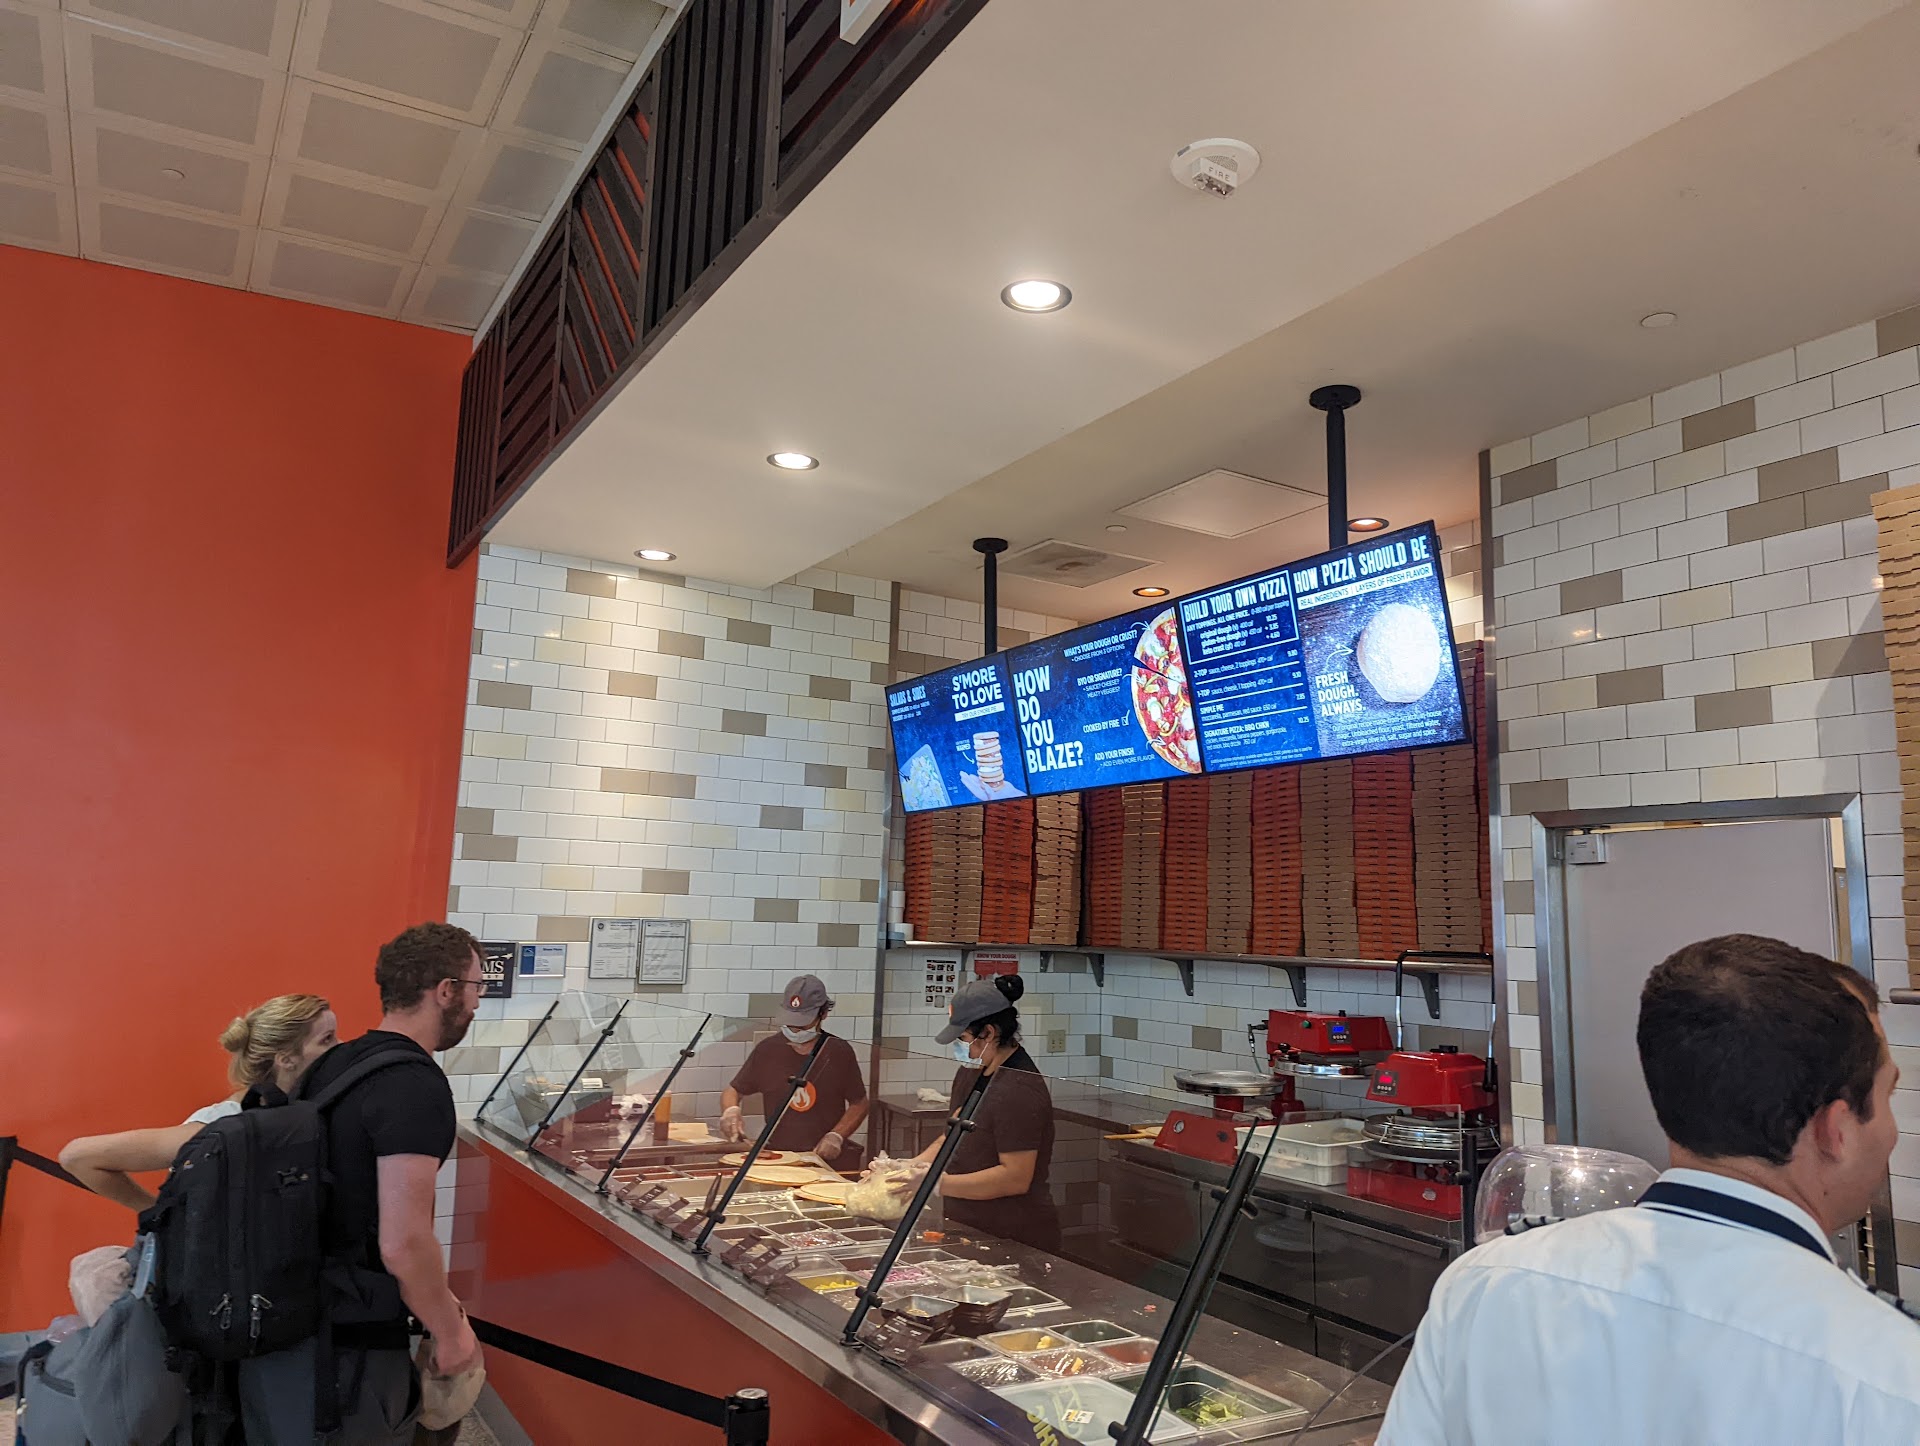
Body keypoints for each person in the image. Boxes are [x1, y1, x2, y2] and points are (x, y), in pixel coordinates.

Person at [1379, 934, 1920, 1444]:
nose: (1892, 1131)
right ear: (1836, 1130)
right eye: (1888, 1096)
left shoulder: (1487, 1284)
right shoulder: (1890, 1369)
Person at [237, 922, 485, 1445]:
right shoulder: (414, 1085)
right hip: (349, 1350)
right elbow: (403, 1241)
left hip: (286, 1319)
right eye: (476, 987)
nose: (477, 1003)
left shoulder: (338, 1062)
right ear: (445, 990)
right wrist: (449, 1332)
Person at [59, 993, 339, 1211]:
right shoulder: (219, 1126)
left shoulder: (309, 1108)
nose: (340, 1046)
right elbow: (78, 1157)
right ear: (286, 1059)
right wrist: (159, 1215)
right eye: (327, 1039)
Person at [909, 974, 1059, 1253]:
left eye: (963, 1038)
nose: (960, 1047)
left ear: (989, 1033)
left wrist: (937, 1183)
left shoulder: (1019, 1088)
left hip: (1015, 1235)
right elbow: (952, 1135)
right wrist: (907, 1167)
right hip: (968, 1226)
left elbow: (1014, 1177)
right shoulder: (971, 1073)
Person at [720, 975, 868, 1165]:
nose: (795, 1029)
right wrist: (731, 1111)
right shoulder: (768, 1050)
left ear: (823, 1014)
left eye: (802, 1023)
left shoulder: (838, 1051)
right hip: (778, 1155)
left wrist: (836, 1136)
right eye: (791, 1022)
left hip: (823, 1157)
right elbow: (733, 1090)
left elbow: (860, 1103)